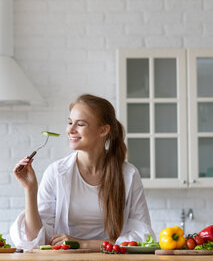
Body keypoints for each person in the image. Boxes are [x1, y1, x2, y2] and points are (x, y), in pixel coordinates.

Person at [10, 94, 154, 250]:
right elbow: (35, 240)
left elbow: (141, 238)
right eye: (70, 122)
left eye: (80, 124)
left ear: (103, 130)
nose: (70, 130)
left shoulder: (129, 175)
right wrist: (30, 189)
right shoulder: (56, 172)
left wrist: (81, 243)